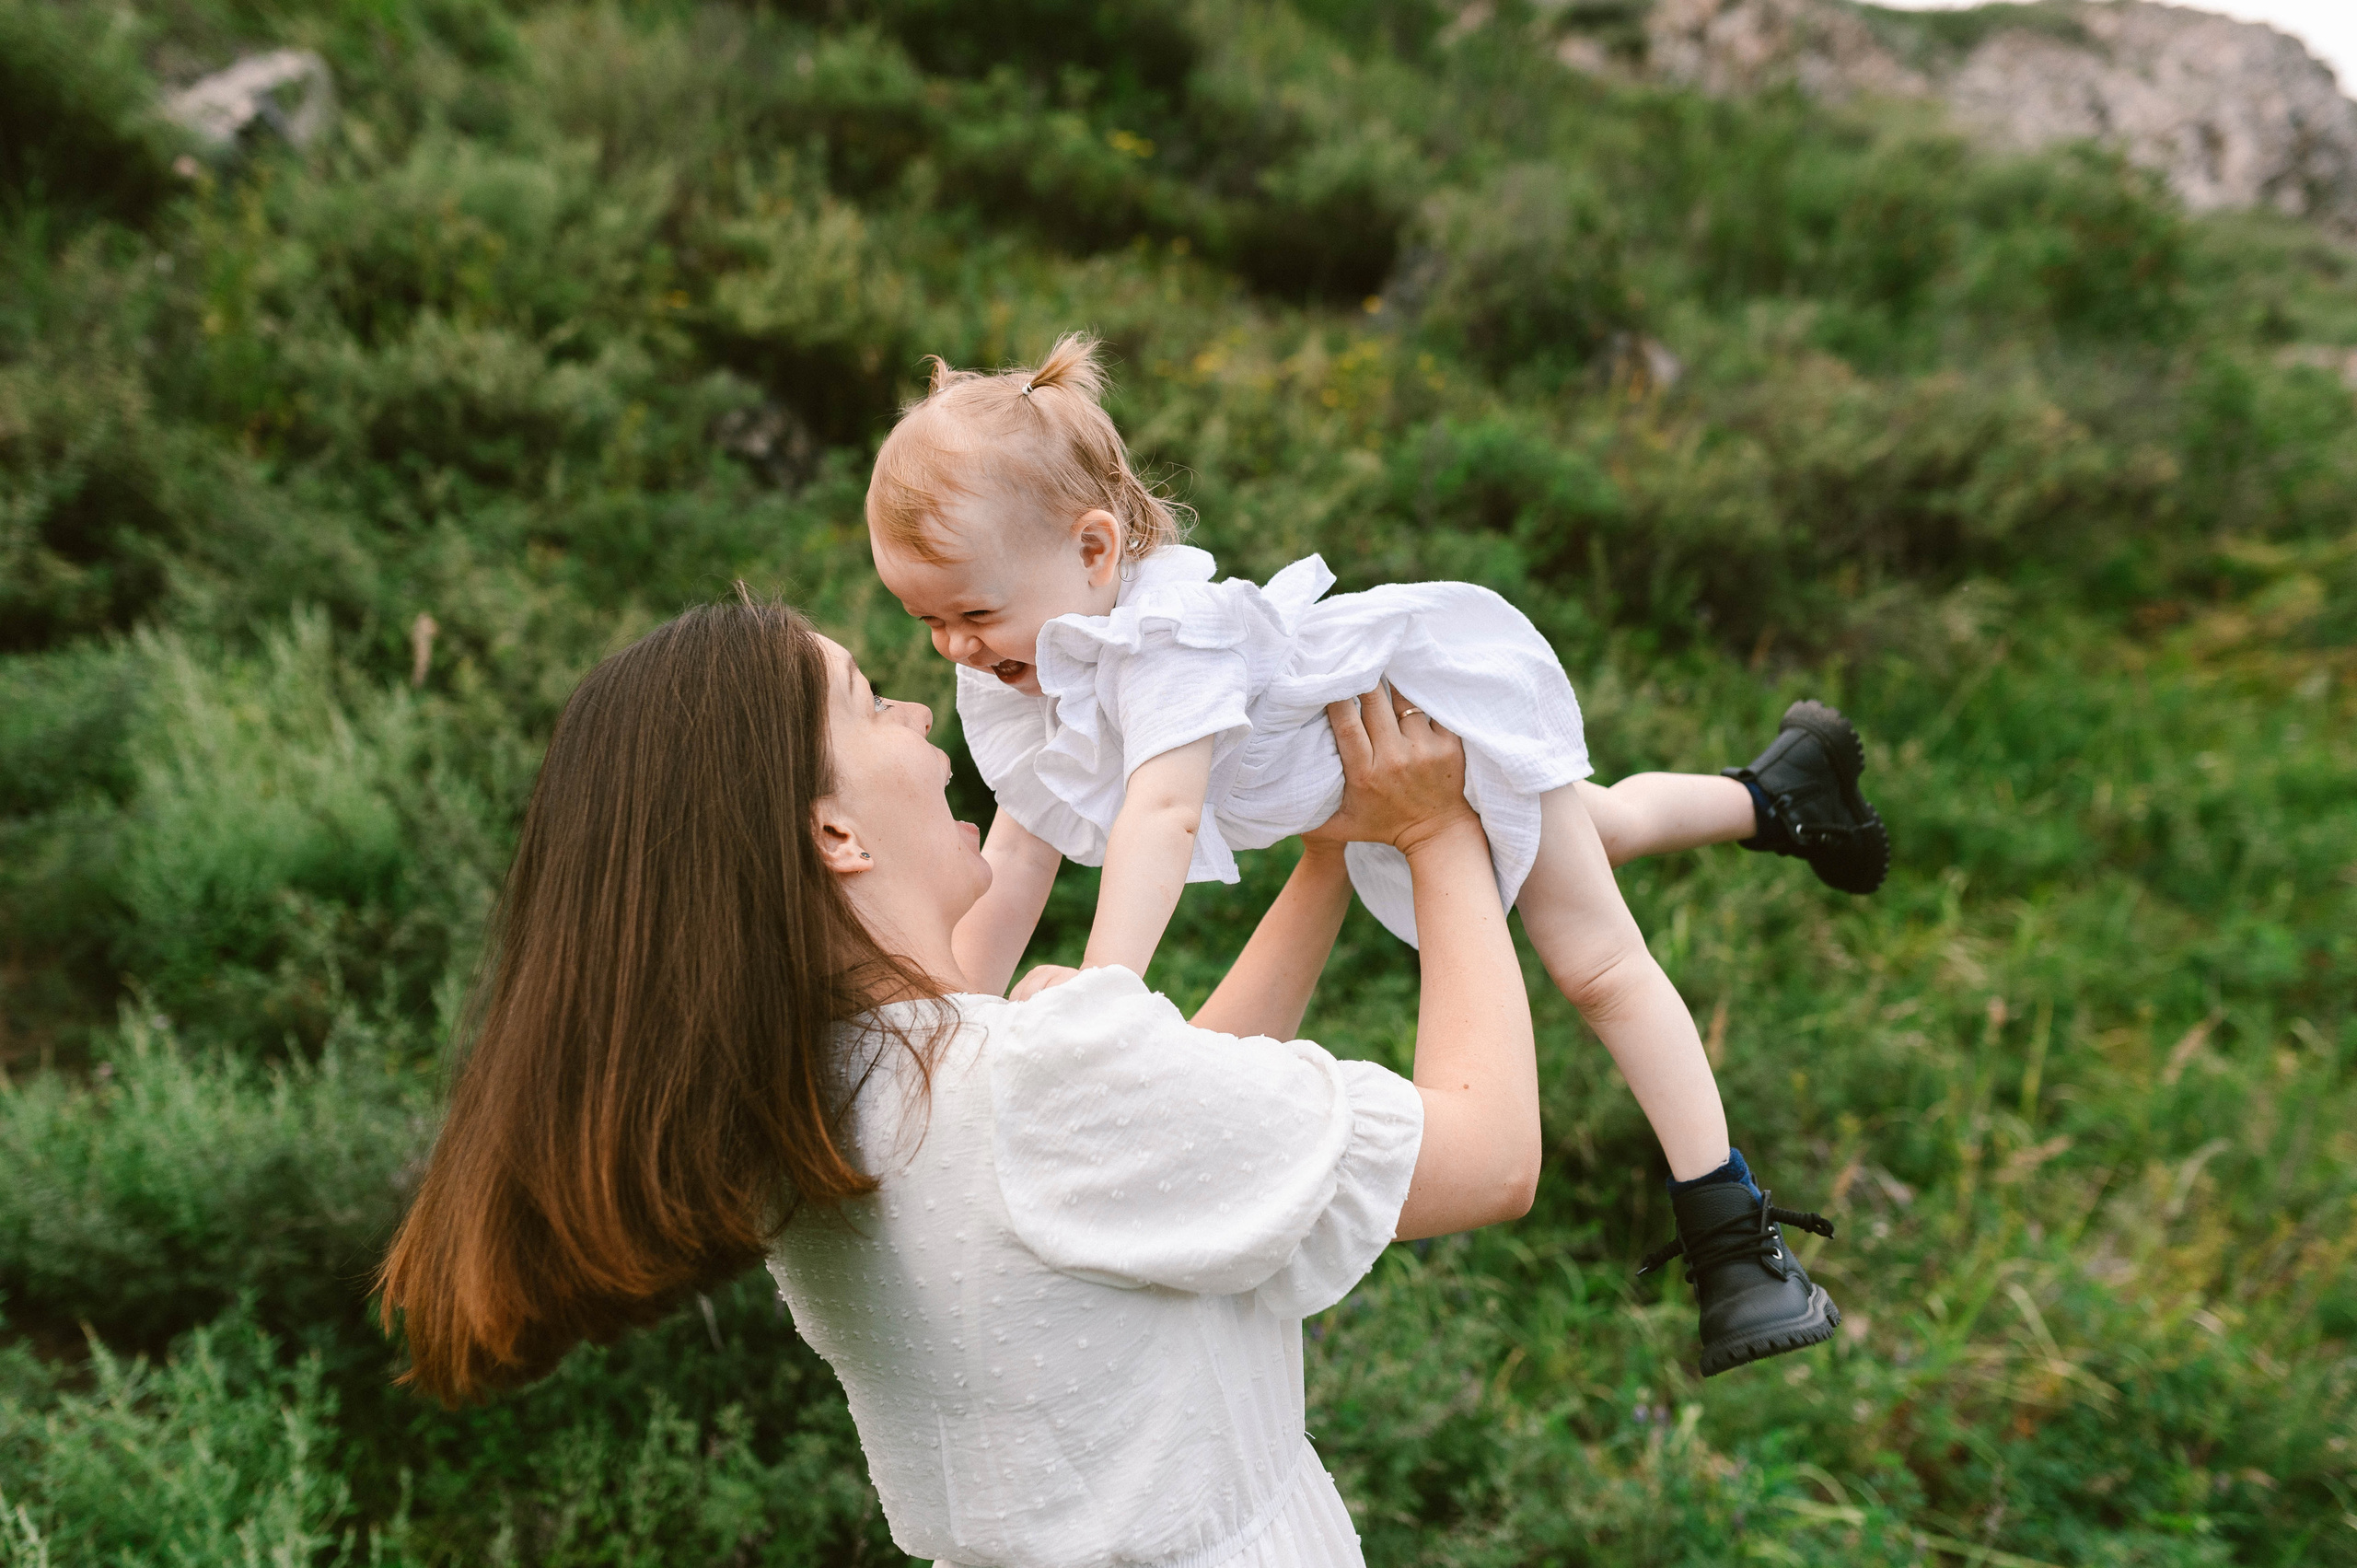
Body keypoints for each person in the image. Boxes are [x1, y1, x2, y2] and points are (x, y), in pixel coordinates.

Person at [383, 596, 1682, 1564]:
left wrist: (1329, 857)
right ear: (832, 831)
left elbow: (1173, 1135)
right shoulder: (1032, 1083)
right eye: (867, 698)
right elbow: (1492, 1152)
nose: (917, 717)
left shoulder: (830, 1110)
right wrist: (1441, 833)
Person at [863, 334, 1856, 1373]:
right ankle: (1778, 792)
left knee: (1595, 960)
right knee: (1593, 827)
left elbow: (1159, 813)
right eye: (924, 619)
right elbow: (1022, 850)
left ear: (1096, 551)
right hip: (1364, 779)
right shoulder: (1017, 663)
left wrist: (1105, 994)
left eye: (972, 612)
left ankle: (1733, 1234)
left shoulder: (1163, 640)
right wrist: (938, 1026)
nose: (954, 648)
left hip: (1425, 707)